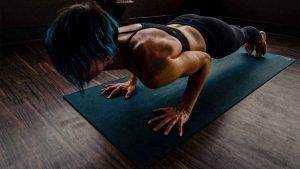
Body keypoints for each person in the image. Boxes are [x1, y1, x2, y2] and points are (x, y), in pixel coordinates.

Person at [44, 1, 267, 137]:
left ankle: (258, 34)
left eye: (77, 65)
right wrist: (131, 81)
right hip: (180, 23)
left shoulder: (153, 72)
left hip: (214, 36)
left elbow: (204, 60)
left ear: (105, 56)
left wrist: (184, 108)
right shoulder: (113, 37)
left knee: (243, 34)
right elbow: (134, 54)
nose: (72, 72)